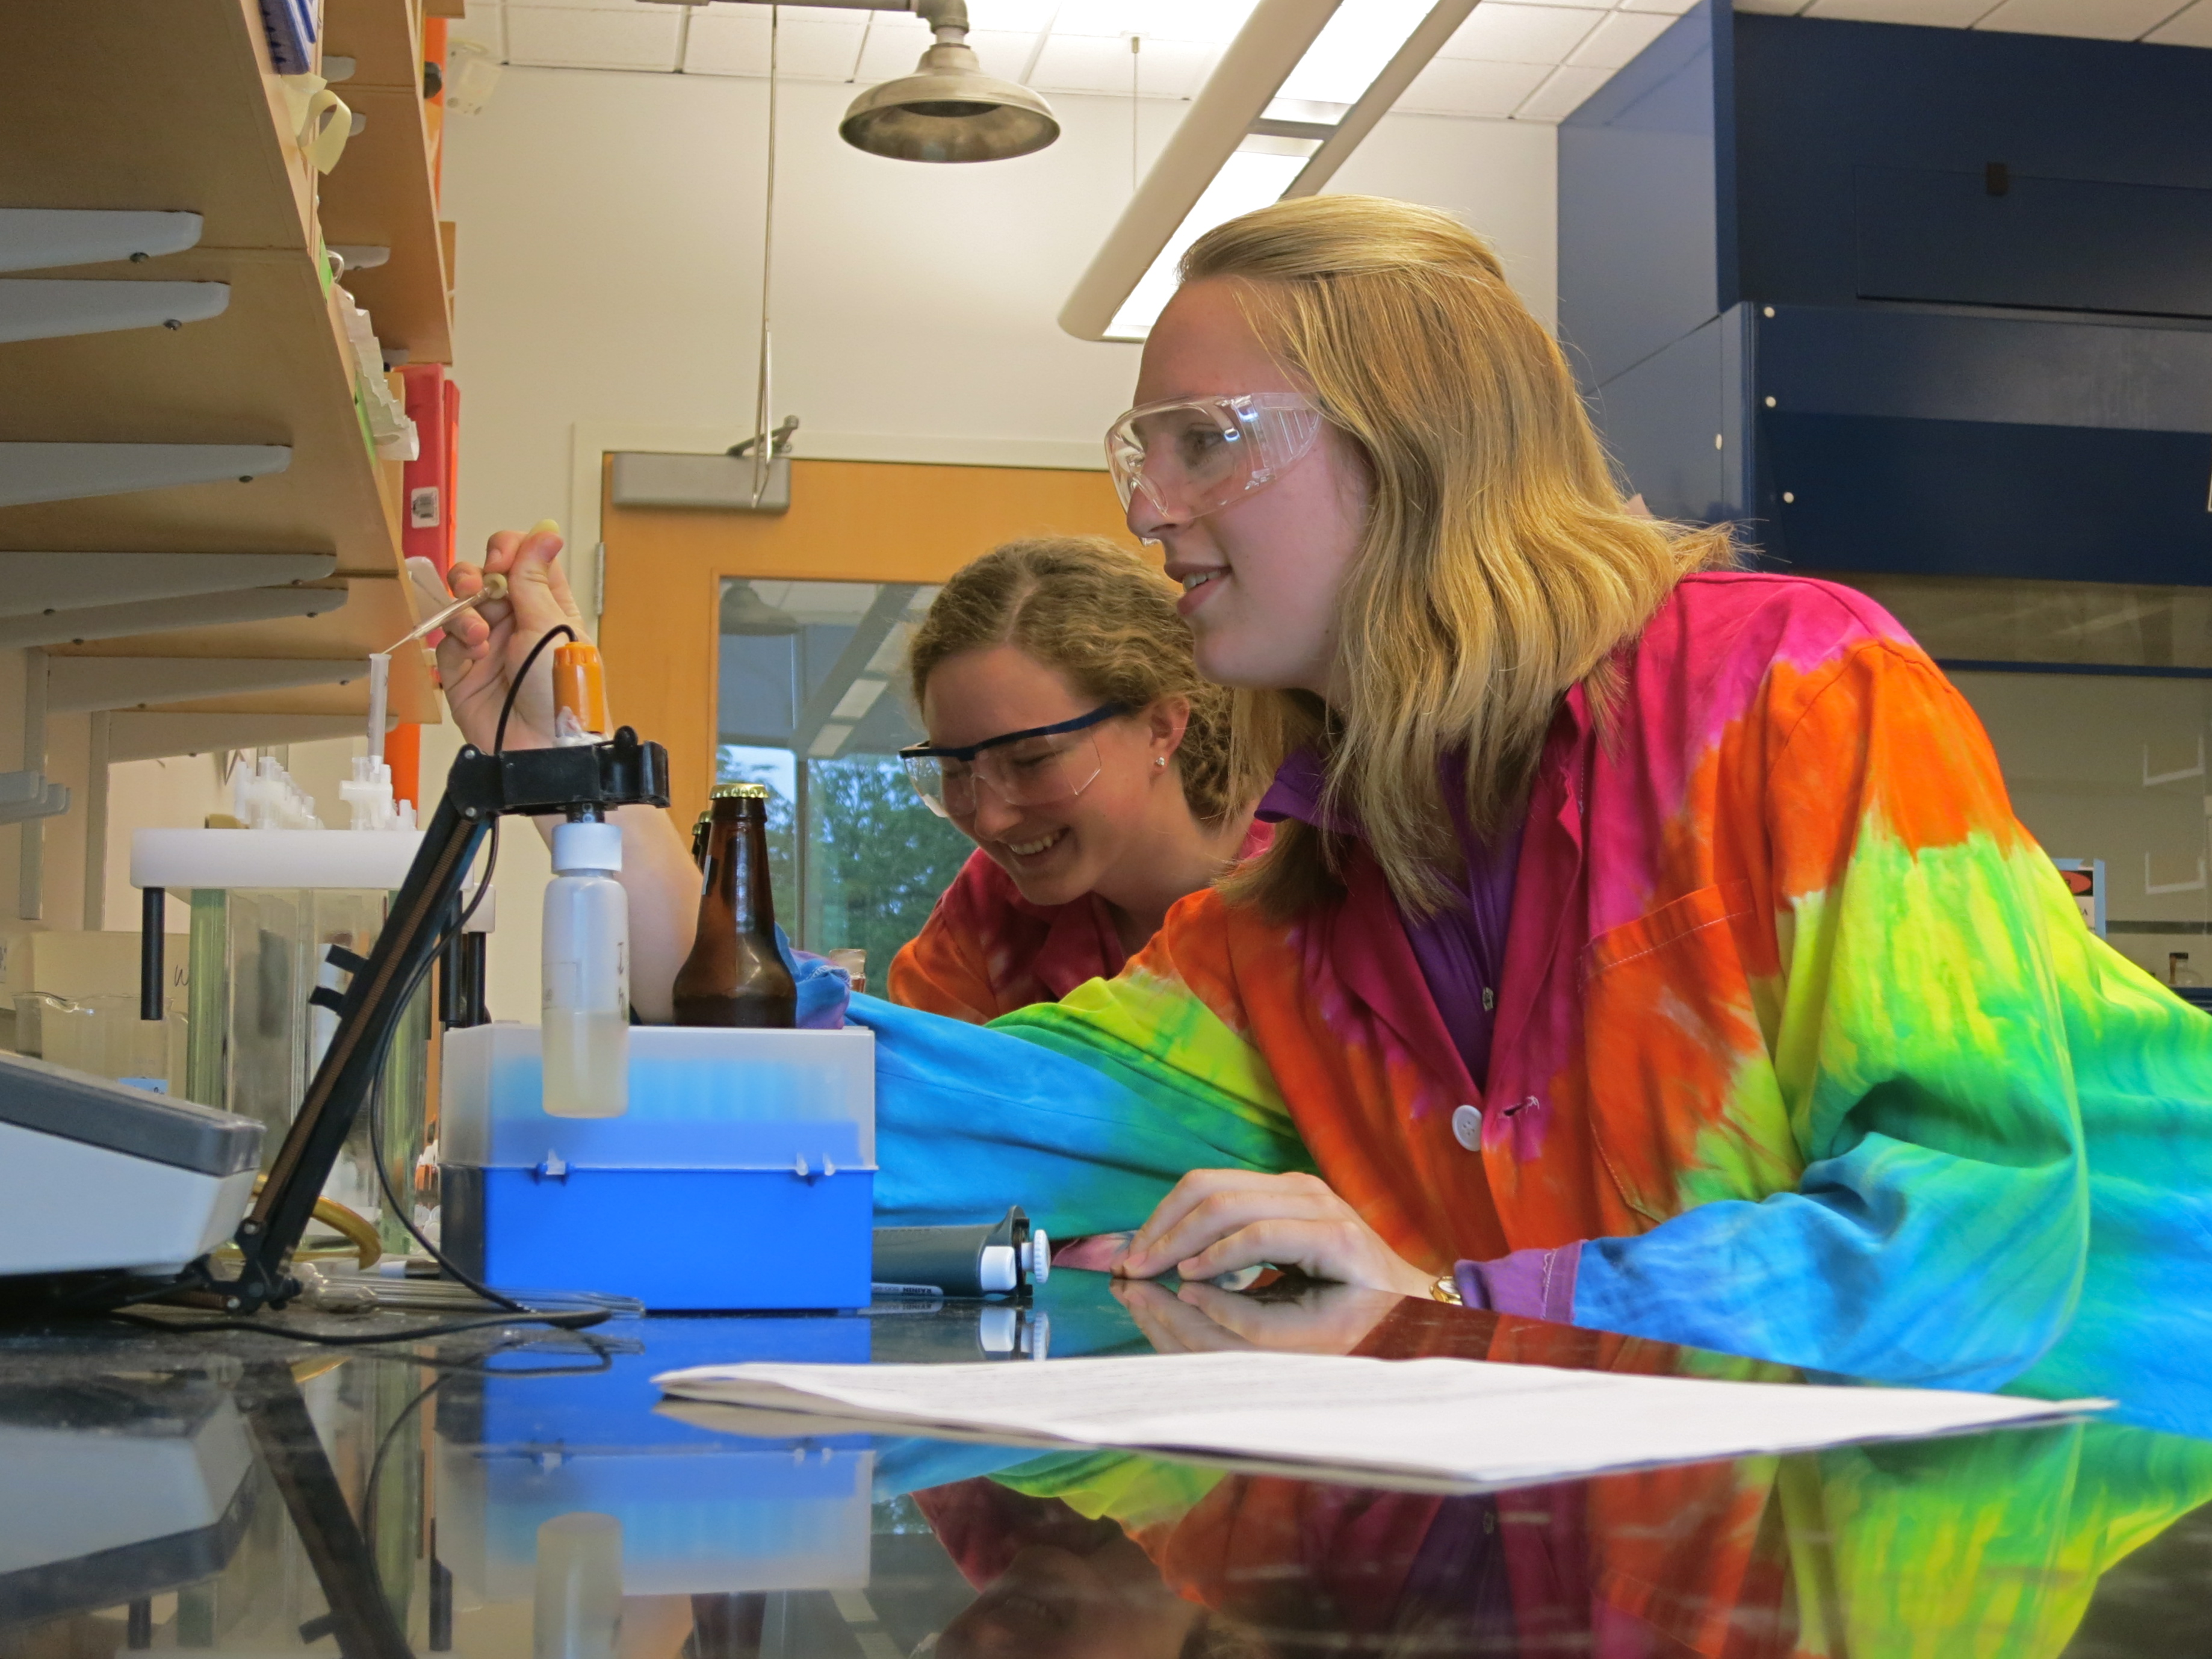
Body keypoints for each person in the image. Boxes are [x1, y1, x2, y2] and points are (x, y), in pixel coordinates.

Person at [863, 193, 2212, 1400]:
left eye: (1203, 442)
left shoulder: (1796, 691)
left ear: (1417, 450)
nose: (1148, 510)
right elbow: (993, 1117)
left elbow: (1971, 1234)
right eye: (1139, 454)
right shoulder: (1286, 916)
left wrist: (1456, 1308)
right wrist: (695, 985)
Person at [890, 536, 1268, 1023]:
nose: (991, 820)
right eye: (954, 770)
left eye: (1031, 762)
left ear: (1160, 727)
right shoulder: (991, 913)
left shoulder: (1317, 883)